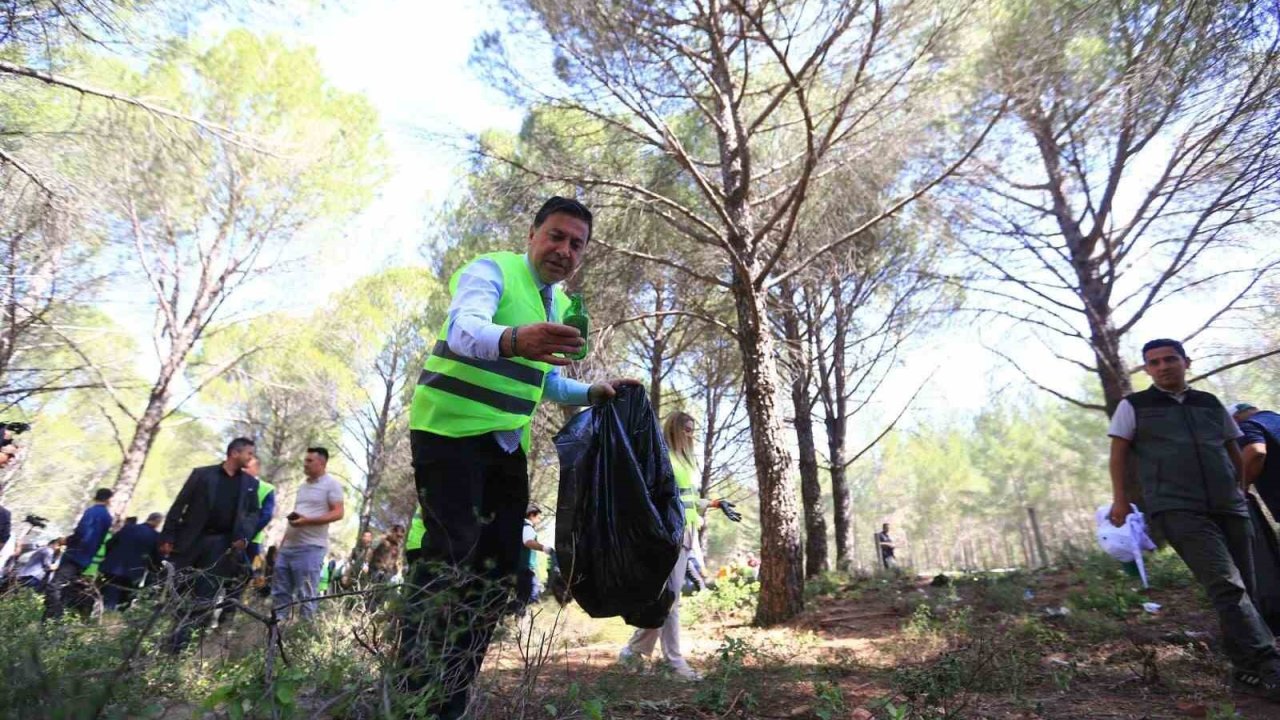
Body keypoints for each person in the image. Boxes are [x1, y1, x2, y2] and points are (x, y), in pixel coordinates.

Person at [401, 195, 638, 719]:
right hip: (449, 432)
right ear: (532, 235)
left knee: (497, 570)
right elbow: (465, 331)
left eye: (577, 244)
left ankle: (452, 695)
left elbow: (544, 381)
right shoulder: (493, 271)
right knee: (449, 556)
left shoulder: (553, 303)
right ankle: (413, 689)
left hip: (506, 446)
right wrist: (513, 339)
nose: (564, 250)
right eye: (556, 236)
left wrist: (592, 391)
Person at [1108, 339, 1280, 699]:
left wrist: (1241, 489)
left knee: (1243, 588)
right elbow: (1119, 455)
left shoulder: (1210, 403)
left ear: (1186, 362)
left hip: (1228, 505)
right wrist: (1120, 501)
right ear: (1147, 370)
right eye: (1153, 363)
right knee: (1226, 584)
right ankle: (1269, 664)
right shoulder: (1134, 406)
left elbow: (1233, 448)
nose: (1163, 366)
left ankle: (1246, 671)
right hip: (1177, 508)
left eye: (1170, 359)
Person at [619, 411, 739, 681]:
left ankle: (633, 650)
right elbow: (652, 498)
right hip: (667, 535)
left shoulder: (687, 462)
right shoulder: (662, 459)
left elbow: (690, 499)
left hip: (686, 533)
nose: (690, 434)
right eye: (686, 429)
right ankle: (673, 663)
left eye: (693, 430)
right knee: (670, 598)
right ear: (673, 429)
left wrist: (717, 503)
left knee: (669, 598)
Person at [159, 437, 264, 652]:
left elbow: (253, 514)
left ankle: (182, 646)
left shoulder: (251, 485)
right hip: (191, 541)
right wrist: (168, 536)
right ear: (235, 453)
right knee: (176, 589)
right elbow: (179, 505)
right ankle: (160, 636)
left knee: (205, 595)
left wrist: (243, 537)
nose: (251, 458)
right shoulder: (202, 474)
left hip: (221, 547)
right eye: (249, 454)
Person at [272, 447, 344, 621]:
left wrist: (307, 521)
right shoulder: (303, 486)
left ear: (322, 463)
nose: (305, 464)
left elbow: (338, 513)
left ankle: (303, 635)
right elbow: (298, 514)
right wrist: (282, 546)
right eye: (305, 460)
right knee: (280, 592)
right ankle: (276, 631)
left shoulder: (331, 485)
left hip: (310, 548)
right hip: (288, 547)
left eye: (309, 461)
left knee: (306, 594)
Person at [44, 487, 113, 620]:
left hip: (75, 554)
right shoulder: (107, 518)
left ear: (96, 497)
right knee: (66, 590)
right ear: (108, 500)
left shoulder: (92, 512)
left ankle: (54, 618)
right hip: (86, 559)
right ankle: (53, 623)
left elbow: (81, 533)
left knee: (54, 586)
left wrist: (67, 540)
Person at [100, 512, 163, 610]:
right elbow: (155, 559)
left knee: (109, 593)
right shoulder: (155, 537)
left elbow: (110, 543)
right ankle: (112, 617)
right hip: (133, 573)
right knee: (123, 599)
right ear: (158, 522)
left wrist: (109, 558)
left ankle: (103, 614)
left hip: (113, 568)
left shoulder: (129, 528)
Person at [1230, 403, 1280, 520]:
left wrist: (1241, 485)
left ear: (1236, 417)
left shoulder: (1247, 425)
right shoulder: (1276, 418)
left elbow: (1256, 451)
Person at [519, 505, 551, 606]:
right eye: (538, 516)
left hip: (523, 567)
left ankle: (520, 615)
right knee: (532, 595)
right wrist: (544, 548)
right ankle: (510, 610)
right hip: (525, 568)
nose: (539, 519)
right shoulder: (527, 528)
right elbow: (528, 542)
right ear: (532, 515)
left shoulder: (521, 527)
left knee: (525, 595)